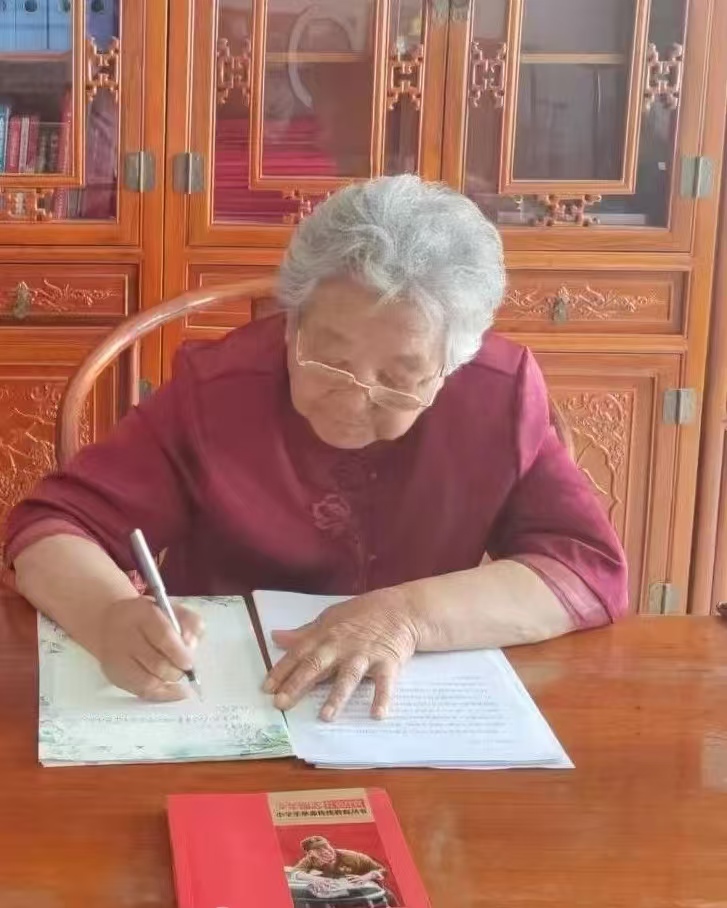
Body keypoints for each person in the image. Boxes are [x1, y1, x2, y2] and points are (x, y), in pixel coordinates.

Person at [4, 175, 627, 721]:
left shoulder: (496, 396)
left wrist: (404, 616)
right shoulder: (219, 390)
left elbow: (584, 570)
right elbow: (51, 528)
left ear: (452, 365)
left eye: (400, 377)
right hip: (222, 691)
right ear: (291, 324)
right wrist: (108, 615)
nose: (354, 398)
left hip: (405, 706)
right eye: (330, 360)